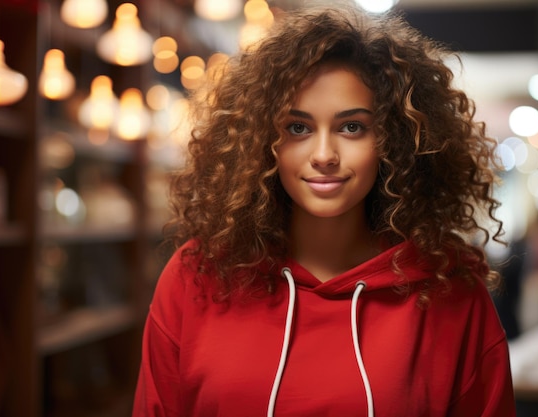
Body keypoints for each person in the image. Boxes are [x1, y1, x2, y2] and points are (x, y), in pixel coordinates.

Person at [132, 3, 515, 417]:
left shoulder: (448, 288)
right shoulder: (198, 275)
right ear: (263, 141)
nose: (324, 155)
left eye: (352, 127)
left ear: (395, 140)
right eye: (298, 128)